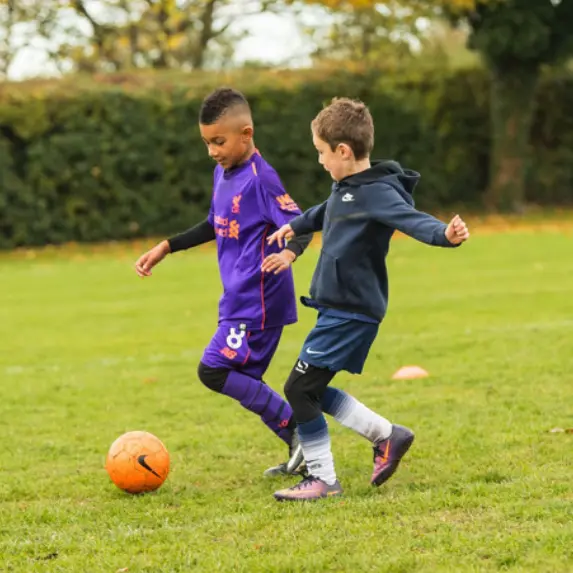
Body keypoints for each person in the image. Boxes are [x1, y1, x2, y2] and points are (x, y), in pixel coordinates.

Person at [264, 97, 470, 501]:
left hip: (351, 312)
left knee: (299, 388)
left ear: (343, 151)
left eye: (322, 153)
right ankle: (387, 435)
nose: (320, 161)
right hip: (337, 309)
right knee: (311, 389)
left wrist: (445, 234)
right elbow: (327, 210)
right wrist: (294, 226)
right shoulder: (346, 187)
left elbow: (413, 220)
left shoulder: (376, 193)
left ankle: (322, 479)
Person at [135, 88, 312, 476]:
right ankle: (302, 449)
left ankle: (301, 433)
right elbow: (214, 224)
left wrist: (288, 253)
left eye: (219, 141)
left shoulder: (261, 178)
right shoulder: (222, 173)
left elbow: (299, 222)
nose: (212, 151)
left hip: (259, 299)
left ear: (246, 133)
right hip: (239, 299)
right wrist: (167, 246)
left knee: (213, 370)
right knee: (240, 377)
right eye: (206, 142)